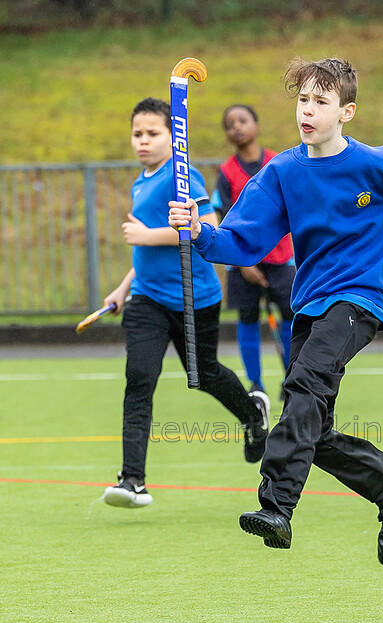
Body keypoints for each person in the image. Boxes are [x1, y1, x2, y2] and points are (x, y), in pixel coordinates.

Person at [169, 58, 383, 565]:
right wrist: (200, 231)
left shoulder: (375, 164)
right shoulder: (282, 172)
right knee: (313, 427)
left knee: (304, 385)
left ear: (346, 111)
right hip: (310, 303)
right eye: (302, 100)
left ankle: (278, 506)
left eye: (320, 102)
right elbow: (242, 241)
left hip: (359, 299)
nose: (307, 111)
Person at [100, 97, 271, 510]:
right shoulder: (141, 181)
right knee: (140, 377)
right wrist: (124, 287)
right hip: (147, 299)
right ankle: (132, 480)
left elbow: (206, 227)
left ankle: (253, 415)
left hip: (196, 298)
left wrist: (147, 236)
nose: (143, 141)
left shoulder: (183, 177)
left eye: (153, 133)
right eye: (137, 133)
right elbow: (145, 253)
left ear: (171, 137)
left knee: (205, 375)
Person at [213, 104, 295, 394]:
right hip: (242, 264)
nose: (236, 127)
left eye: (243, 120)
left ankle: (292, 379)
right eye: (229, 123)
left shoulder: (278, 163)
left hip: (280, 259)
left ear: (257, 126)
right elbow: (223, 219)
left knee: (289, 318)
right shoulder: (226, 173)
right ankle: (255, 385)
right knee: (247, 318)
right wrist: (244, 264)